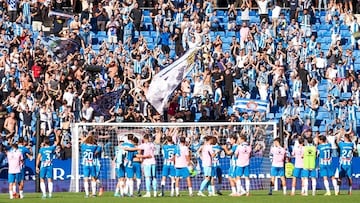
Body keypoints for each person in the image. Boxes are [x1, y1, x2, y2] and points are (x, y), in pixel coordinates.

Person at [36, 134, 60, 199]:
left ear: (44, 142)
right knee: (50, 179)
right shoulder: (51, 148)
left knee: (42, 179)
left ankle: (44, 194)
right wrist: (56, 133)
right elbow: (58, 141)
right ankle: (50, 194)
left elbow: (38, 158)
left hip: (43, 165)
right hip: (50, 165)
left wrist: (36, 166)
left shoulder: (42, 149)